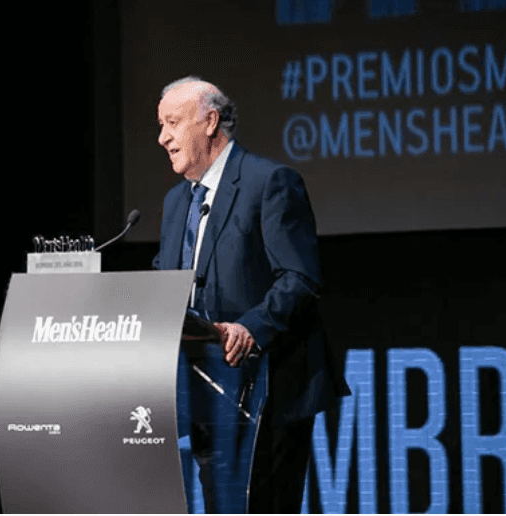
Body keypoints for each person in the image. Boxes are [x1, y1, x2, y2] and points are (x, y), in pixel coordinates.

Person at [152, 76, 350, 513]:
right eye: (160, 125)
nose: (162, 137)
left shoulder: (270, 182)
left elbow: (299, 277)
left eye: (172, 122)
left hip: (267, 390)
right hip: (202, 389)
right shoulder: (175, 203)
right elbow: (165, 281)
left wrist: (250, 328)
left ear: (210, 122)